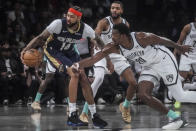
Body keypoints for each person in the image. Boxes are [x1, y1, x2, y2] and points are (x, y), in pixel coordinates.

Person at [73, 23, 196, 130]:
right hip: (149, 66)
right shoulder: (113, 46)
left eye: (114, 34)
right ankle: (176, 118)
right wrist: (78, 64)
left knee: (178, 95)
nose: (112, 37)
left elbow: (160, 39)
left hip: (164, 61)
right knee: (143, 94)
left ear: (123, 35)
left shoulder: (140, 37)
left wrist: (179, 47)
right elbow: (94, 58)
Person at [21, 6, 107, 127]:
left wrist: (106, 54)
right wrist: (25, 49)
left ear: (79, 18)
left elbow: (98, 39)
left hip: (71, 53)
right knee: (74, 74)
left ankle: (94, 115)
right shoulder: (58, 24)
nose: (68, 18)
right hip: (54, 52)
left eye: (72, 16)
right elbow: (40, 37)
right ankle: (72, 114)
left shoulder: (85, 28)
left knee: (84, 78)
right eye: (67, 15)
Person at [79, 1, 137, 124]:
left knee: (133, 82)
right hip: (101, 52)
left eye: (117, 8)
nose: (114, 10)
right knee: (98, 79)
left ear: (121, 11)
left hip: (116, 54)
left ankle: (125, 106)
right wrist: (105, 56)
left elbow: (125, 43)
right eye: (112, 8)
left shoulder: (125, 24)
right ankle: (84, 112)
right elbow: (94, 38)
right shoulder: (104, 22)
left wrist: (123, 62)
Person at [174, 16, 196, 90]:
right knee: (181, 78)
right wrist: (177, 52)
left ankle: (188, 88)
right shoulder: (188, 27)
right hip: (187, 54)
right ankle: (174, 97)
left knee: (191, 81)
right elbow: (180, 41)